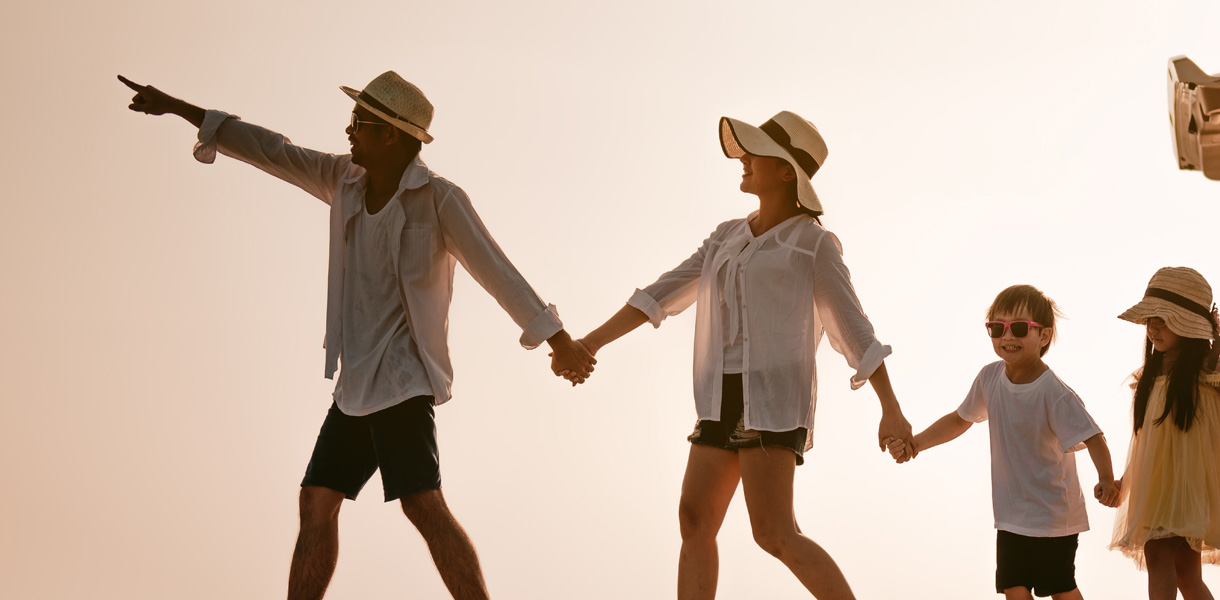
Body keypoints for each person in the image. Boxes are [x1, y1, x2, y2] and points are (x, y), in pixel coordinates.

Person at [119, 71, 595, 600]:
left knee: (422, 505)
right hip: (355, 387)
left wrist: (559, 340)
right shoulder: (341, 179)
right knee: (316, 502)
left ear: (391, 135)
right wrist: (183, 110)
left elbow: (496, 269)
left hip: (403, 379)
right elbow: (271, 150)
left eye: (359, 124)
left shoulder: (439, 199)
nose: (348, 133)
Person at [568, 111, 912, 599]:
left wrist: (890, 408)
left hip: (772, 398)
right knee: (694, 519)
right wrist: (591, 342)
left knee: (773, 533)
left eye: (756, 153)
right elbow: (660, 294)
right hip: (720, 393)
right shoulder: (727, 236)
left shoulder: (813, 244)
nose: (744, 160)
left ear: (786, 171)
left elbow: (855, 329)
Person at [887, 285, 1119, 600]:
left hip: (1053, 516)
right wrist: (916, 443)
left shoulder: (1054, 393)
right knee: (1014, 588)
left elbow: (1093, 436)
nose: (1007, 336)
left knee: (1060, 589)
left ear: (1045, 336)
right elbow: (959, 420)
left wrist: (1106, 479)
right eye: (998, 328)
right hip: (1012, 517)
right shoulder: (989, 378)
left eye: (1020, 328)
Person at [1106, 267, 1220, 600]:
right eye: (1150, 321)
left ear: (1189, 326)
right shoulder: (1147, 377)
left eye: (1163, 321)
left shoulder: (1207, 368)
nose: (1153, 328)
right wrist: (1125, 482)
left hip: (1189, 484)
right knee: (1185, 574)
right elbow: (1146, 443)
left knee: (1158, 553)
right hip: (1159, 487)